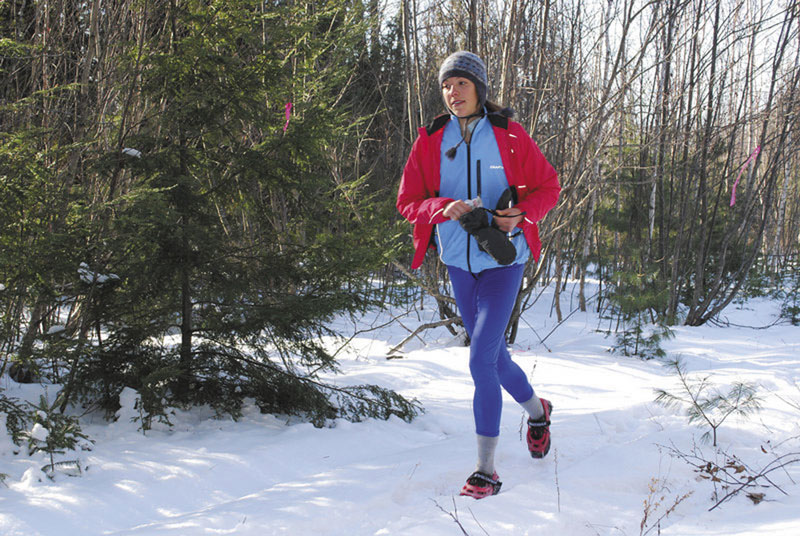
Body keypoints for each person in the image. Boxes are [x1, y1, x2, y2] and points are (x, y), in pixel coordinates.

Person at [396, 51, 561, 499]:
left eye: (462, 84)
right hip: (457, 263)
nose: (453, 93)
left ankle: (486, 470)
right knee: (493, 358)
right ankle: (538, 410)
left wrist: (522, 213)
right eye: (447, 85)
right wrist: (438, 208)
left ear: (479, 89)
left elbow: (550, 185)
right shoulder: (430, 139)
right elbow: (408, 200)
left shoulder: (509, 135)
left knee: (478, 359)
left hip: (505, 261)